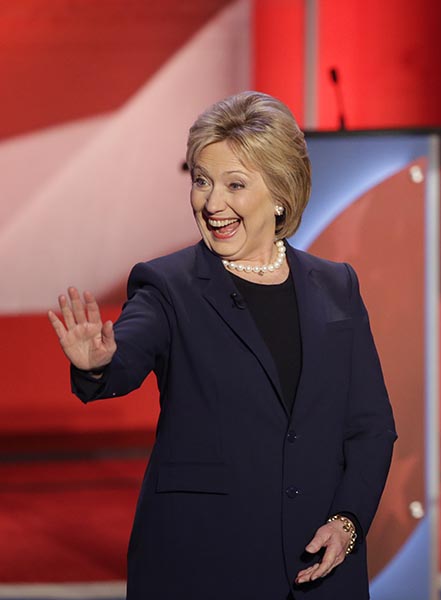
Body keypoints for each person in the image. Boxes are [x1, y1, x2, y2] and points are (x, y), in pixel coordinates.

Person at [48, 91, 396, 599]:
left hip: (317, 571)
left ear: (280, 192)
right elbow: (129, 348)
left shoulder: (336, 285)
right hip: (203, 564)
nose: (212, 204)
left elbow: (370, 426)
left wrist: (347, 523)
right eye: (201, 181)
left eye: (235, 184)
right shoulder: (168, 286)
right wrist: (101, 363)